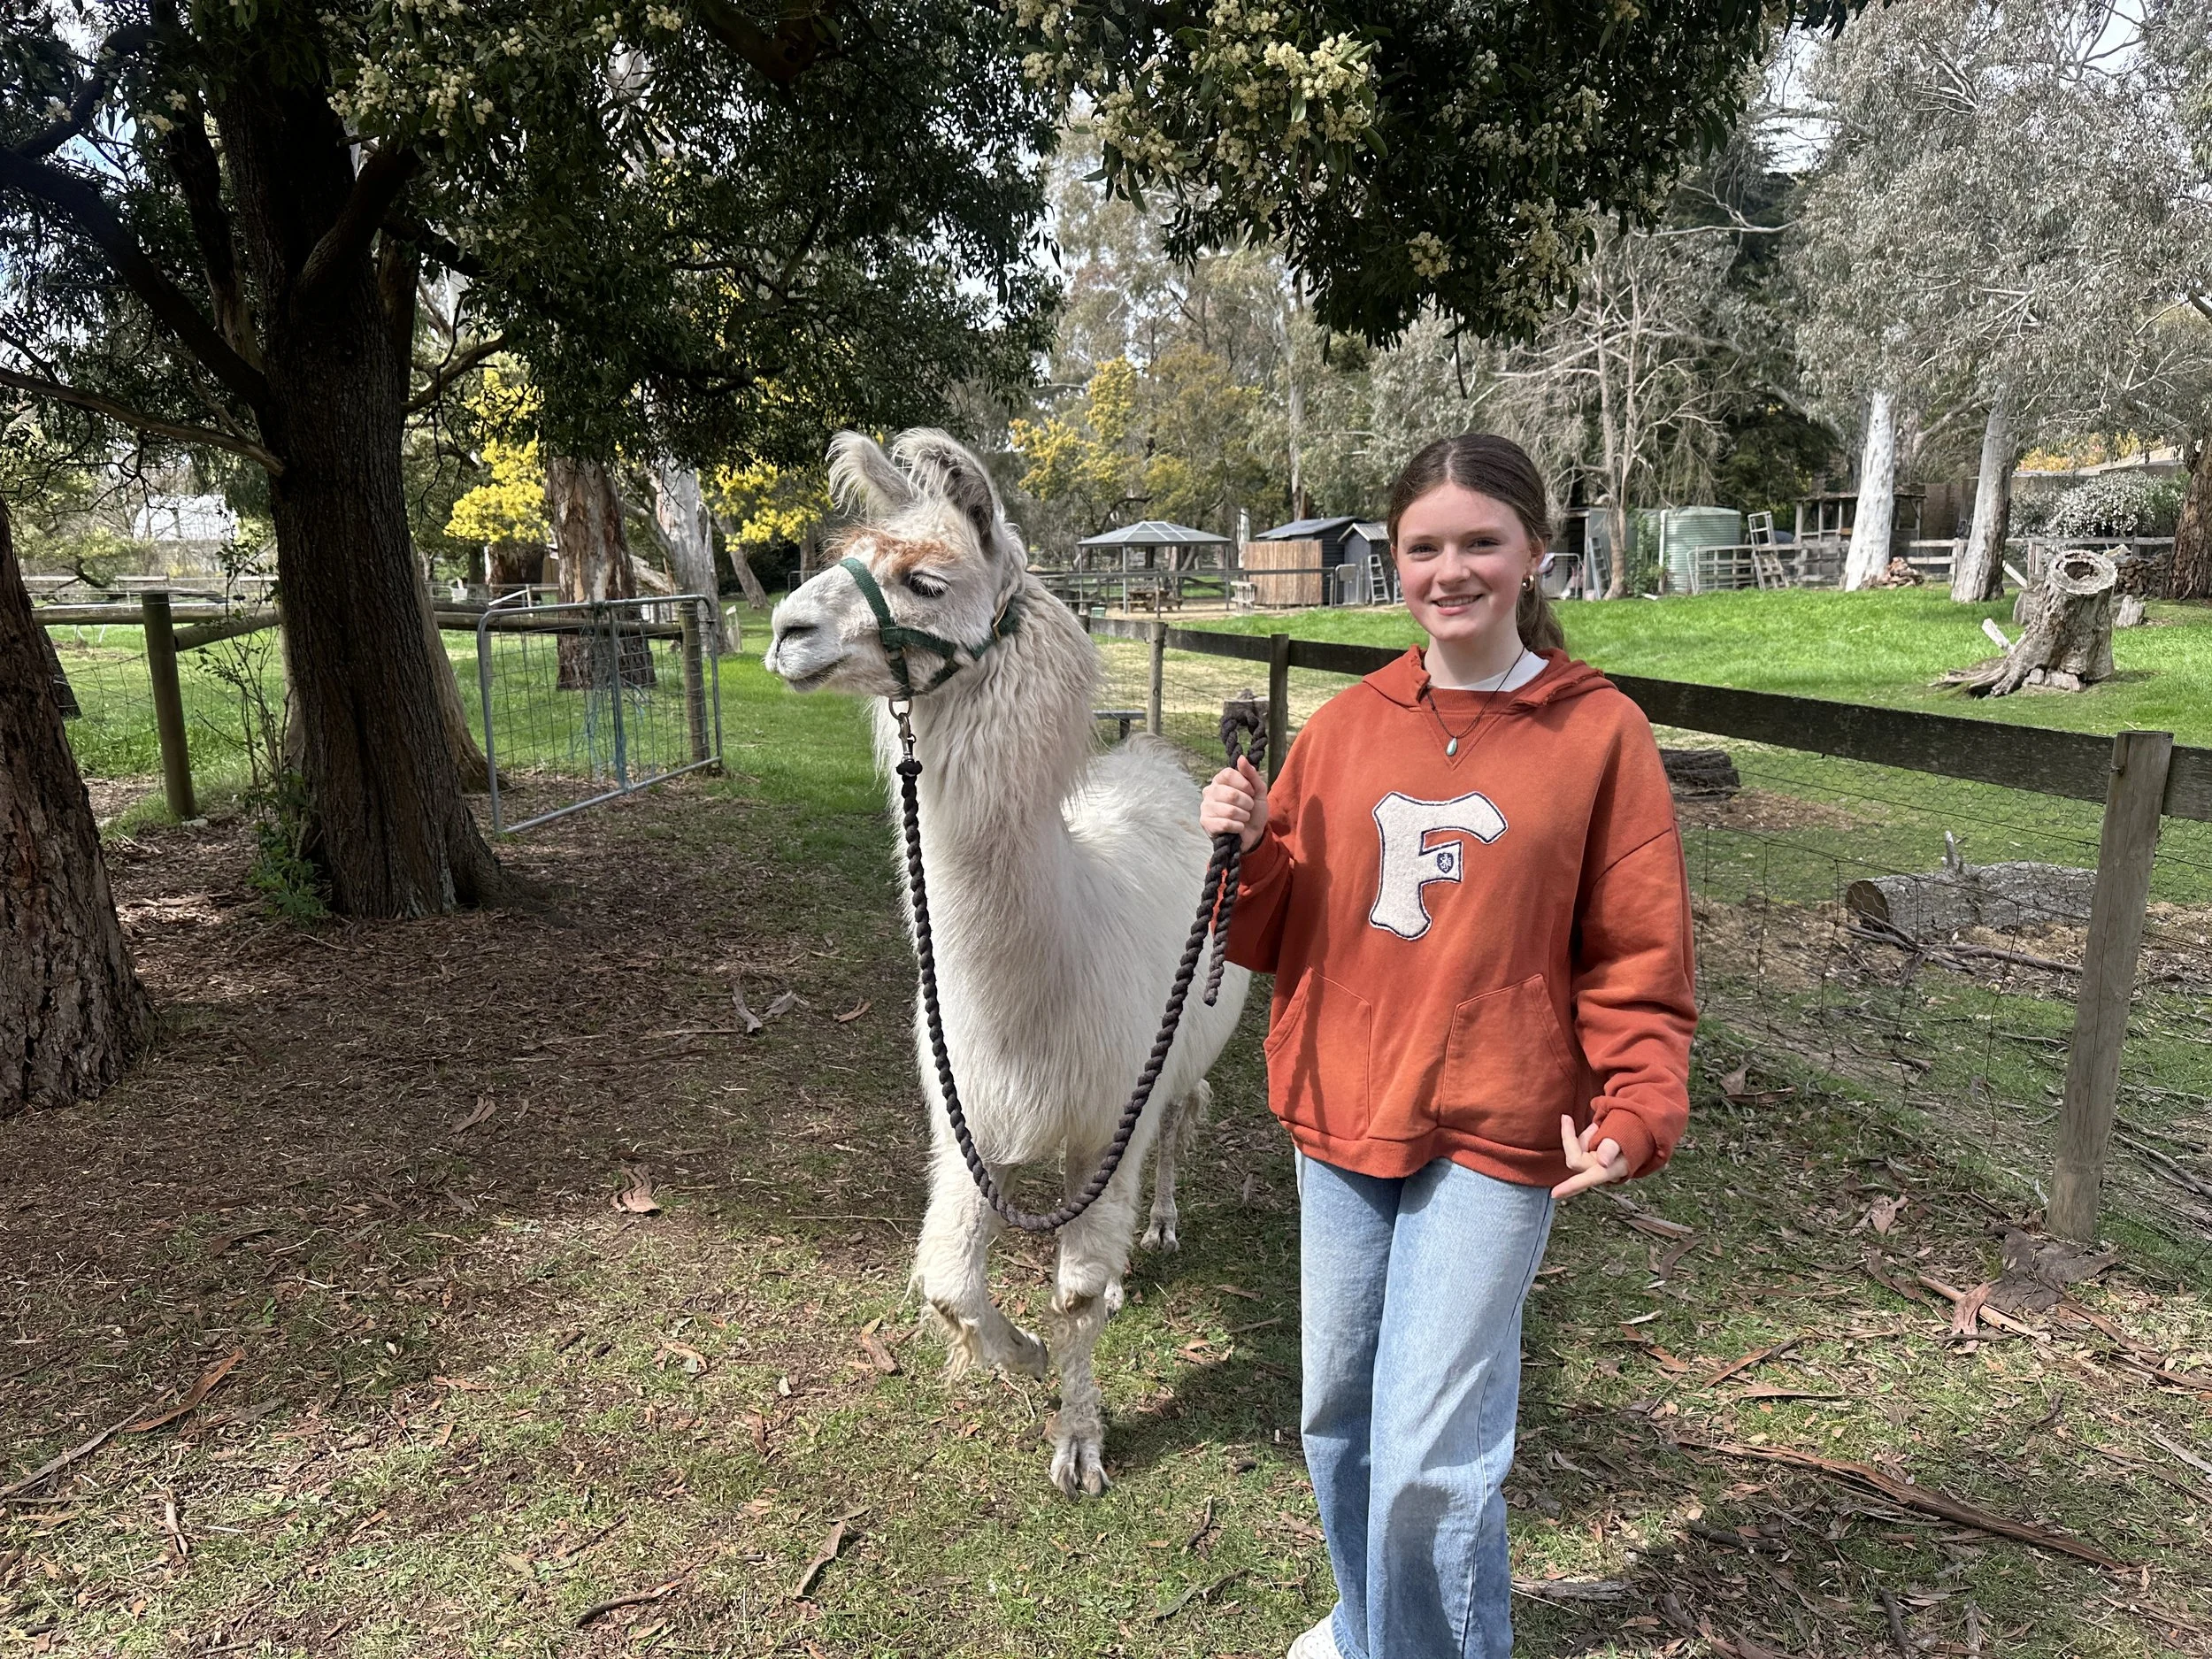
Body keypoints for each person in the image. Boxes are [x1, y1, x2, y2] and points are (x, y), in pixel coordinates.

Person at [1201, 434, 1696, 1659]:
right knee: (1337, 1414)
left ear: (1535, 552)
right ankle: (1370, 1626)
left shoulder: (1598, 735)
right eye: (1425, 546)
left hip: (1498, 1123)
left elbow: (1637, 948)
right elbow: (1271, 930)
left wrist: (1638, 1098)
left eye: (1481, 541)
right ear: (1394, 561)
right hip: (1342, 1111)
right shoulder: (1349, 726)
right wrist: (1242, 846)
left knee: (1432, 1452)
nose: (1452, 569)